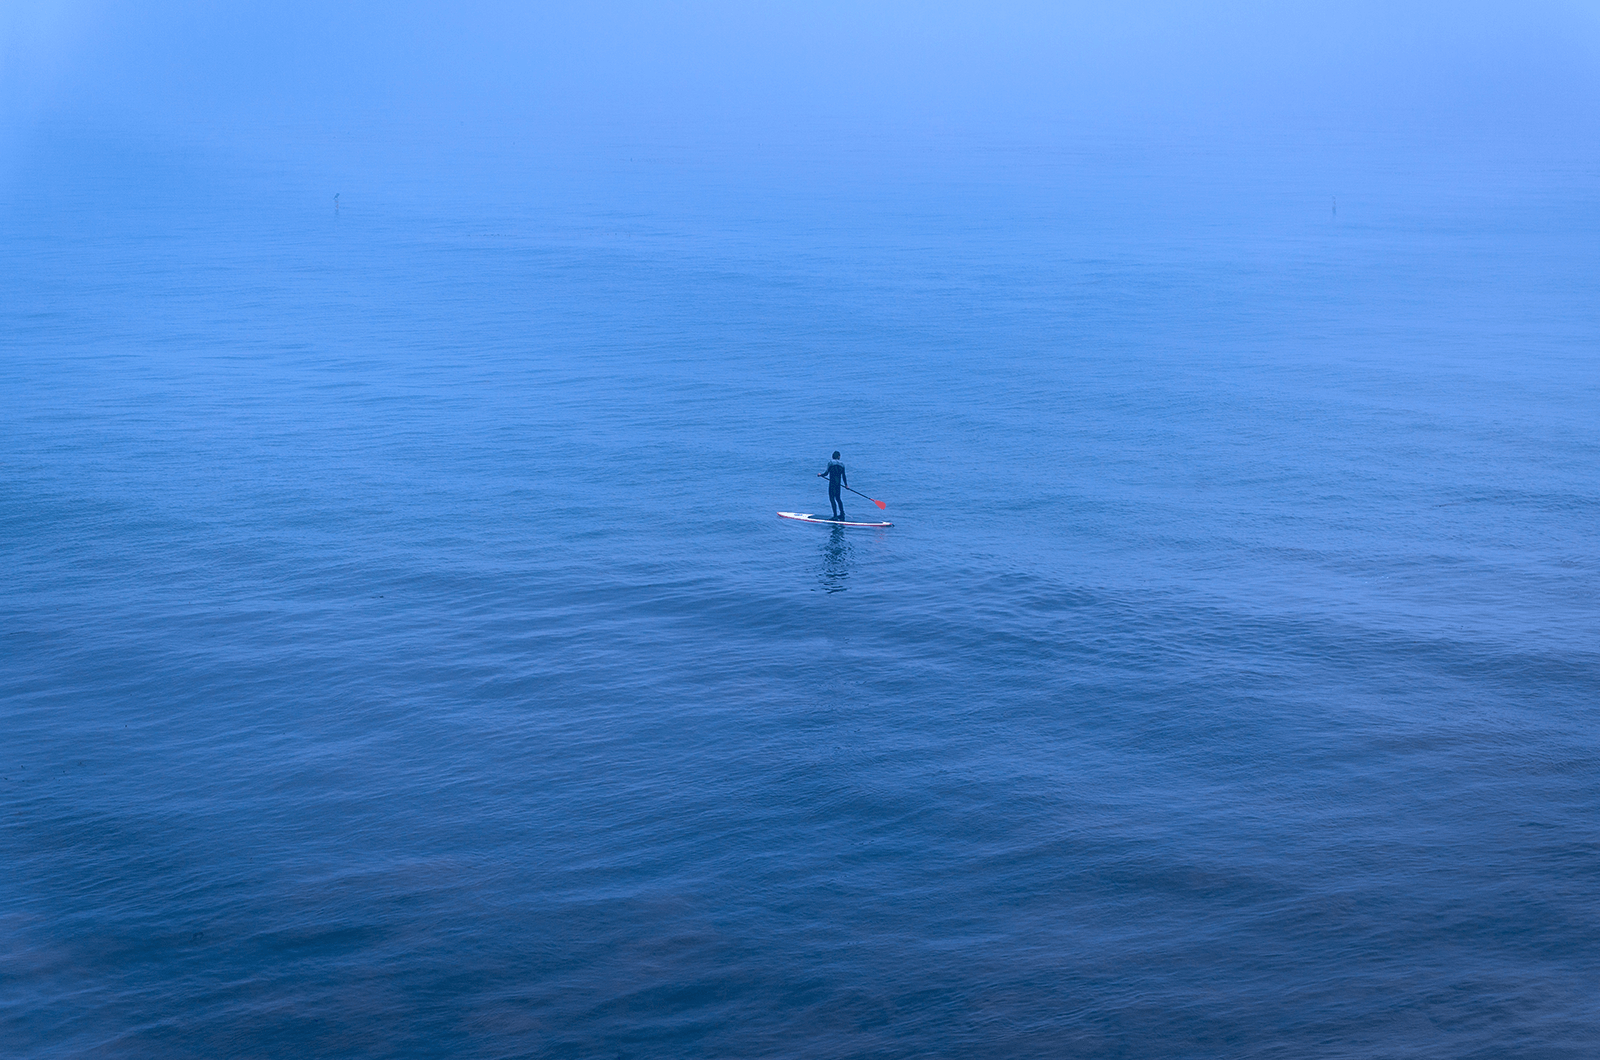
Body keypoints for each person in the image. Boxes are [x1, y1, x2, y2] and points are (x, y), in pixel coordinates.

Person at [817, 451, 847, 520]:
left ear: (832, 456)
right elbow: (844, 476)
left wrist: (820, 475)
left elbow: (826, 473)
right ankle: (842, 514)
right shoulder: (842, 464)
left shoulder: (830, 463)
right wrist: (846, 485)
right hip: (838, 484)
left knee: (832, 499)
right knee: (838, 499)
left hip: (832, 484)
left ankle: (835, 516)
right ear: (839, 457)